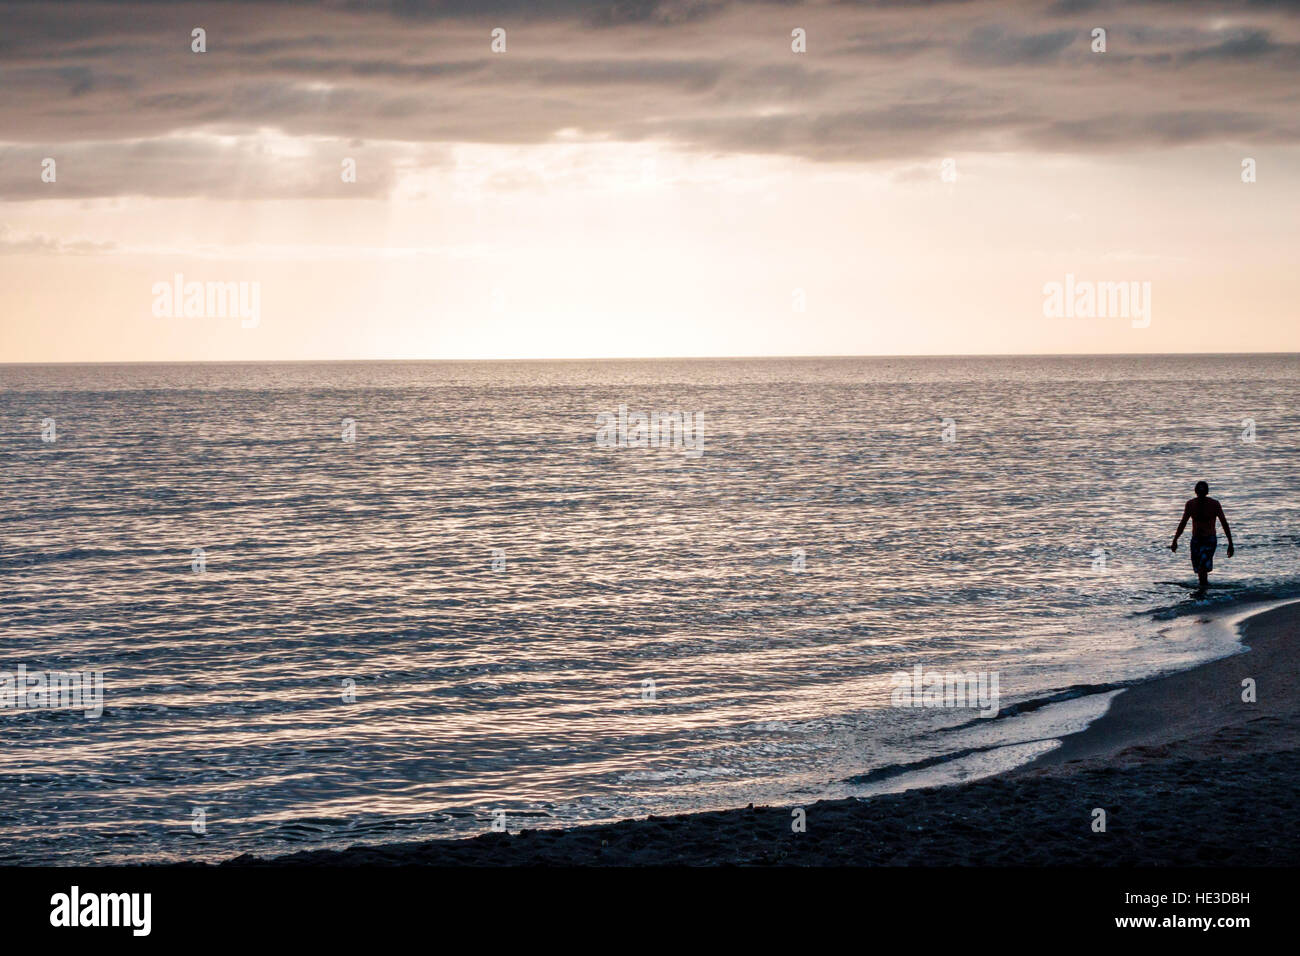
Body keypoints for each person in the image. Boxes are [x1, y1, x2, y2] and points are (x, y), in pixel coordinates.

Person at [1170, 481, 1234, 592]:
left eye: (1202, 492)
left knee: (1203, 567)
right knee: (1199, 570)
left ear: (1207, 492)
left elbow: (1224, 523)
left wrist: (1230, 543)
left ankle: (1203, 595)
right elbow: (1183, 523)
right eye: (1199, 492)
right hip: (1196, 540)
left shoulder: (1214, 504)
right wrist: (1175, 540)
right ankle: (1203, 592)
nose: (1201, 495)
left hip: (1209, 539)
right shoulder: (1190, 504)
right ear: (1196, 492)